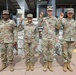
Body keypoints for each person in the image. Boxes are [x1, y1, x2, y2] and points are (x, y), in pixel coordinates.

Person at [41, 6, 57, 72]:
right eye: (48, 11)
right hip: (45, 37)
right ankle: (45, 64)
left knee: (51, 51)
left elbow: (57, 28)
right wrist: (40, 17)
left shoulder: (55, 19)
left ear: (52, 11)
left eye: (51, 11)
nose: (49, 12)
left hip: (52, 38)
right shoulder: (44, 19)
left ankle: (50, 64)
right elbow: (39, 24)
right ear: (47, 11)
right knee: (44, 51)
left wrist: (57, 37)